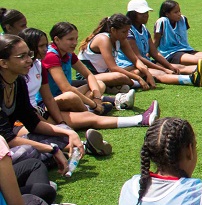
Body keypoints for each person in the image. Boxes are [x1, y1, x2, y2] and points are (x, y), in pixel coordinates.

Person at [23, 27, 158, 132]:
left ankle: (135, 116)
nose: (75, 43)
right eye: (70, 39)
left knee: (97, 87)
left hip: (45, 108)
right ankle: (128, 113)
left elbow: (88, 76)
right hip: (39, 111)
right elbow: (63, 90)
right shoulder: (48, 58)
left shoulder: (38, 65)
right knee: (77, 102)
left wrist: (97, 100)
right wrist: (94, 105)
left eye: (75, 39)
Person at [0, 34, 84, 171]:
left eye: (29, 54)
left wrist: (69, 132)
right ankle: (44, 160)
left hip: (9, 143)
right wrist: (52, 149)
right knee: (27, 151)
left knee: (63, 131)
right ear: (3, 63)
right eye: (22, 56)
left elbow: (32, 122)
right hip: (3, 147)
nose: (29, 60)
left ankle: (43, 160)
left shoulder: (18, 82)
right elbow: (7, 138)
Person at [116, 2, 202, 88]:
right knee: (159, 73)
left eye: (146, 12)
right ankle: (191, 79)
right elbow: (137, 57)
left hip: (144, 62)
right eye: (142, 13)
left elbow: (154, 52)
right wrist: (164, 69)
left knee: (177, 67)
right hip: (129, 65)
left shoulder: (143, 28)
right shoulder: (128, 31)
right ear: (133, 14)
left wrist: (169, 66)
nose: (146, 15)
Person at [79, 15, 150, 90]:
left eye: (128, 31)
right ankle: (135, 84)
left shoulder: (121, 39)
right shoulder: (103, 39)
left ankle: (114, 86)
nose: (127, 35)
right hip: (88, 76)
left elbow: (135, 60)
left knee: (142, 69)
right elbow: (113, 68)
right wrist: (138, 78)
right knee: (119, 77)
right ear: (113, 30)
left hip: (105, 74)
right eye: (124, 32)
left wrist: (148, 74)